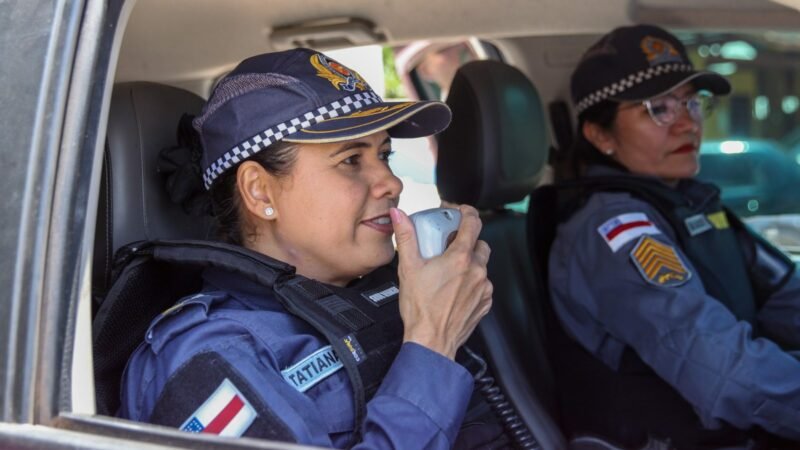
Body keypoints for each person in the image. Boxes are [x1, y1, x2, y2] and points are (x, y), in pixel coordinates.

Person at [118, 48, 498, 448]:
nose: (392, 182)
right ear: (259, 191)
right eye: (351, 160)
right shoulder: (211, 355)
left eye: (384, 155)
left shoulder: (392, 291)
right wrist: (432, 340)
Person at [547, 24, 800, 448]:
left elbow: (782, 295)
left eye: (692, 103)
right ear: (600, 135)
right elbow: (725, 373)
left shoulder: (691, 205)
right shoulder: (615, 230)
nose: (688, 124)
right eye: (658, 109)